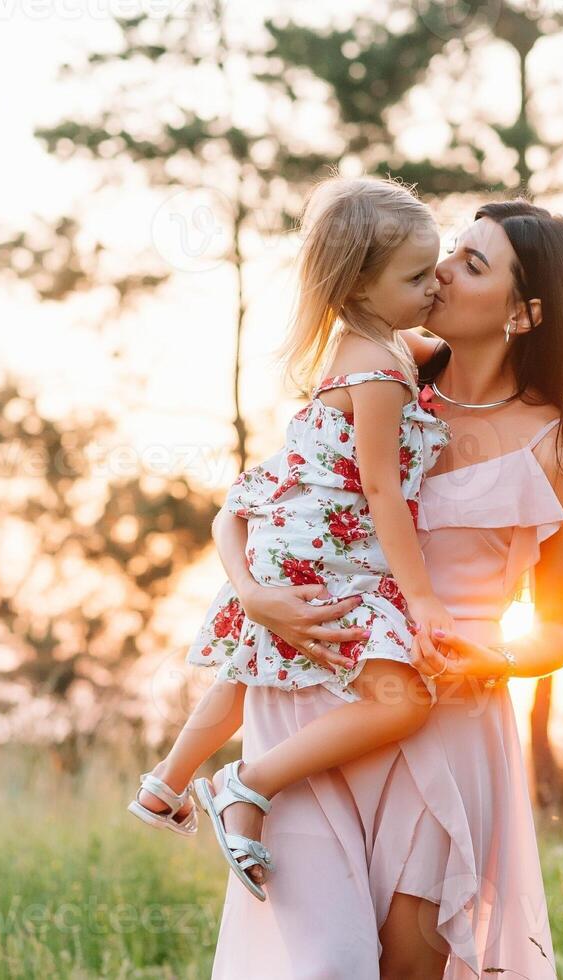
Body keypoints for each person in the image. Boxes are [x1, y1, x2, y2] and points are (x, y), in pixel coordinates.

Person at [207, 200, 563, 978]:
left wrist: (490, 660)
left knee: (405, 968)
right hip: (320, 697)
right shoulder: (380, 379)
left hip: (448, 716)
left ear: (525, 313)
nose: (440, 271)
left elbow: (560, 632)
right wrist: (252, 595)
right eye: (450, 251)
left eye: (472, 264)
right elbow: (265, 503)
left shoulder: (562, 450)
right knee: (323, 964)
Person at [126, 175, 464, 902]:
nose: (434, 287)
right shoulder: (377, 373)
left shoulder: (373, 341)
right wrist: (424, 600)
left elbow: (430, 352)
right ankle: (246, 781)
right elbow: (381, 492)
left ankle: (165, 784)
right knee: (402, 703)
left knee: (250, 669)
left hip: (290, 538)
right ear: (359, 286)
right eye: (415, 277)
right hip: (328, 555)